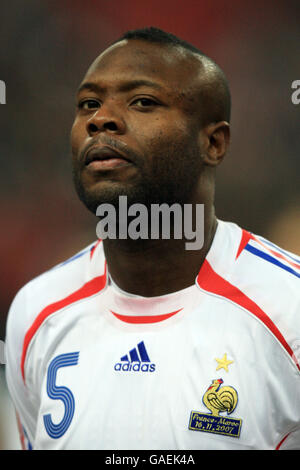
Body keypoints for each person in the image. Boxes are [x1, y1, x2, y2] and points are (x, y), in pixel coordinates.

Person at [5, 27, 300, 450]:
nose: (99, 119)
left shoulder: (289, 310)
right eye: (89, 103)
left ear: (213, 142)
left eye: (143, 102)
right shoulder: (36, 312)